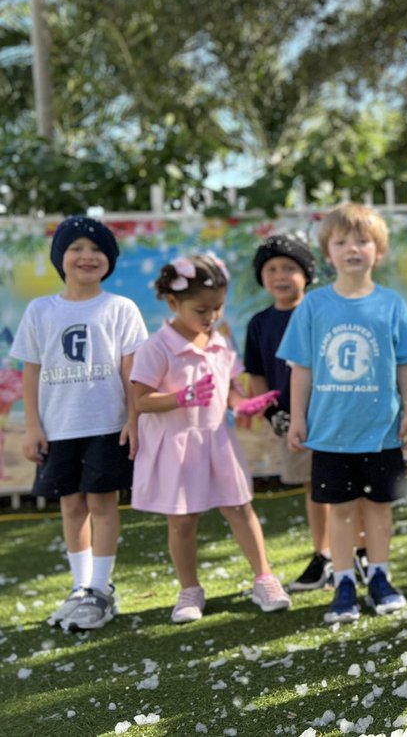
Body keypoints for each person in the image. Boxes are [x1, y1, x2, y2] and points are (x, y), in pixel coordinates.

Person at [278, 202, 407, 624]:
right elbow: (301, 368)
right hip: (330, 432)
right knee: (340, 510)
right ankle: (343, 582)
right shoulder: (313, 306)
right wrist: (299, 417)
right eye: (341, 242)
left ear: (378, 250)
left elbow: (406, 363)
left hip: (380, 432)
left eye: (362, 240)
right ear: (328, 254)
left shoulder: (391, 304)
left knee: (379, 507)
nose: (352, 249)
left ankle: (379, 576)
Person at [130, 253, 292, 624]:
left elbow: (230, 391)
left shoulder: (219, 341)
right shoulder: (157, 347)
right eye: (202, 309)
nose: (211, 316)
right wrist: (181, 397)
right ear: (173, 303)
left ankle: (264, 578)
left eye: (218, 308)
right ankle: (190, 589)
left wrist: (246, 405)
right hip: (177, 446)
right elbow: (140, 400)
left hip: (217, 441)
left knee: (240, 508)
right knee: (183, 521)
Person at [11, 216, 148, 631]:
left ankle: (102, 589)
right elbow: (30, 372)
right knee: (71, 505)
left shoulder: (120, 308)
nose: (87, 257)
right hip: (59, 427)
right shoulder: (40, 310)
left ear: (109, 260)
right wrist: (32, 426)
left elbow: (132, 371)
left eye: (97, 249)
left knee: (103, 504)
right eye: (76, 248)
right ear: (60, 258)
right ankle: (80, 587)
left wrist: (134, 418)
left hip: (107, 424)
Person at [243, 233, 369, 592]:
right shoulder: (259, 323)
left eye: (289, 268)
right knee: (314, 487)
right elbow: (256, 373)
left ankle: (360, 550)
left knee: (350, 482)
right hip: (292, 422)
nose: (280, 276)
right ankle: (323, 554)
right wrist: (272, 412)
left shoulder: (322, 311)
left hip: (334, 414)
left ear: (307, 274)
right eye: (271, 269)